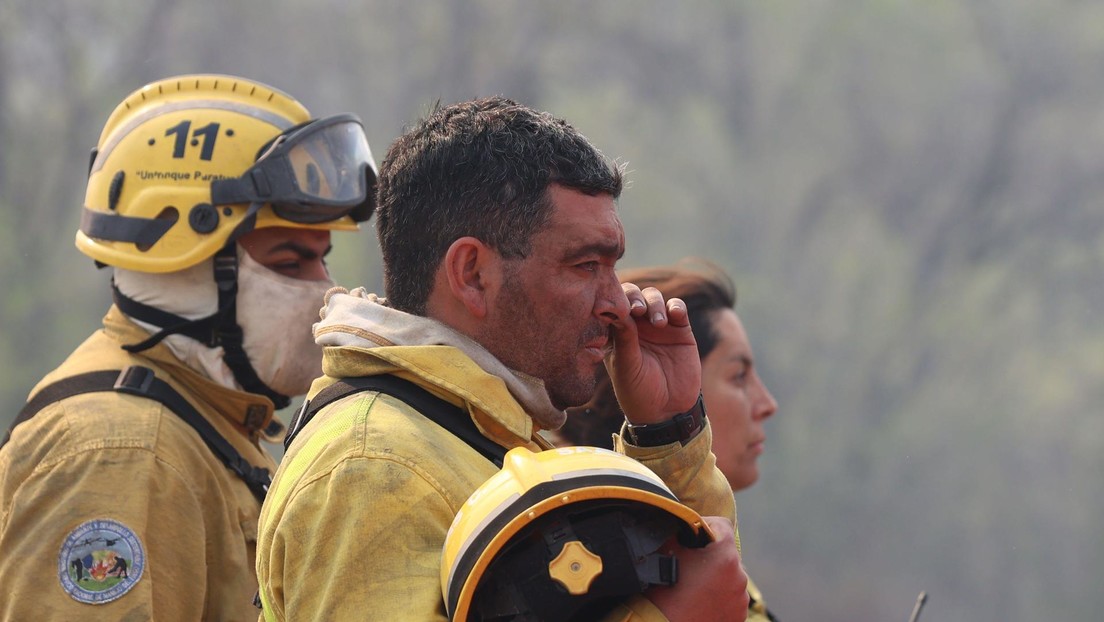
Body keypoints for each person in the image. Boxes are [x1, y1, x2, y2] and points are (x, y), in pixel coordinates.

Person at [256, 96, 749, 621]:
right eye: (585, 266)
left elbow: (701, 576)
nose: (617, 302)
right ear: (472, 274)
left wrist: (666, 434)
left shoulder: (471, 434)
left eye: (612, 267)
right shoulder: (373, 466)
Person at [0, 74, 377, 620]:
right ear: (189, 270)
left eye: (323, 259)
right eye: (290, 263)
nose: (326, 291)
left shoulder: (204, 417)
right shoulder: (123, 455)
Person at [558, 259, 779, 620]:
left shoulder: (721, 578)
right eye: (739, 376)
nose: (767, 404)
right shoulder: (585, 569)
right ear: (657, 374)